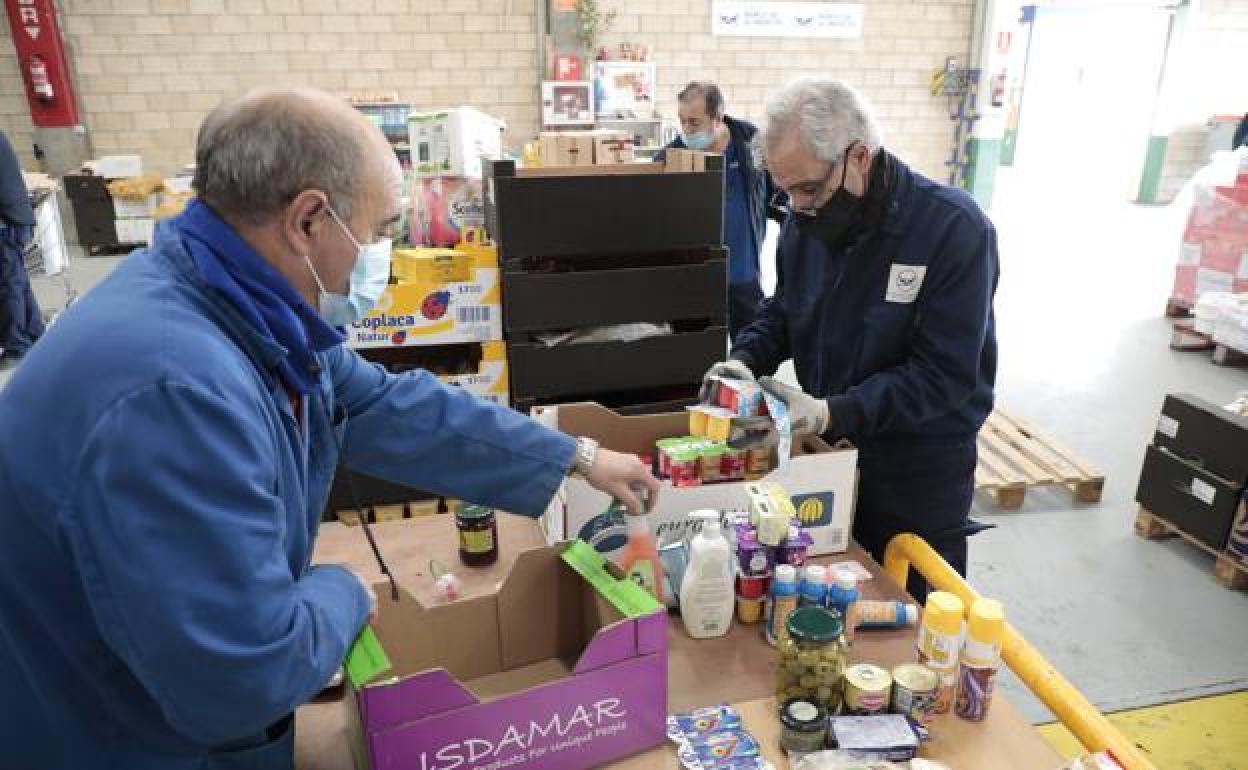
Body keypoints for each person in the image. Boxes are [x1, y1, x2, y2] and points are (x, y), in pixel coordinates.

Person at [0, 88, 658, 770]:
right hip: (112, 737)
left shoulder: (242, 308)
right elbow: (241, 676)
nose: (383, 257)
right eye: (378, 232)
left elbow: (383, 405)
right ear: (308, 219)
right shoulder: (172, 391)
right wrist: (339, 592)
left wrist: (577, 457)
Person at [707, 78, 999, 601]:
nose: (795, 208)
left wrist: (828, 412)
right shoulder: (807, 221)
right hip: (831, 454)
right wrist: (745, 357)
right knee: (830, 598)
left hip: (915, 472)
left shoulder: (953, 231)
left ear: (858, 157)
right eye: (785, 192)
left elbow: (945, 377)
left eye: (809, 190)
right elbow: (787, 305)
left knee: (911, 613)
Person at [659, 81, 784, 338]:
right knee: (694, 353)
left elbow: (778, 190)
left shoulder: (750, 142)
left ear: (717, 118)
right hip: (695, 279)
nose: (686, 130)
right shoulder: (671, 158)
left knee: (751, 351)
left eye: (694, 122)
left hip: (743, 274)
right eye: (682, 121)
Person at [0, 129, 44, 362]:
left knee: (9, 286)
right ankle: (34, 331)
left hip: (7, 223)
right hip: (15, 219)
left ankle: (16, 344)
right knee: (17, 282)